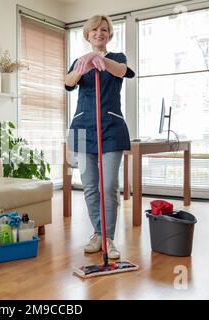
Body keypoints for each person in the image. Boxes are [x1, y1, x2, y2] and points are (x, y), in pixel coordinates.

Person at [65, 15, 135, 259]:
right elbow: (68, 83)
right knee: (90, 186)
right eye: (94, 29)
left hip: (111, 128)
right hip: (82, 129)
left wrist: (99, 59)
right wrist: (82, 65)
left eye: (104, 30)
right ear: (87, 34)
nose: (99, 33)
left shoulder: (117, 58)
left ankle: (109, 238)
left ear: (109, 34)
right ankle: (97, 233)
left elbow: (124, 72)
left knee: (109, 185)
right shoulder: (78, 61)